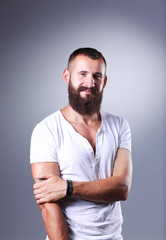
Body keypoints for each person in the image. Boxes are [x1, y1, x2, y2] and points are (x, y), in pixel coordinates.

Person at [30, 47, 132, 240]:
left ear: (105, 81)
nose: (90, 82)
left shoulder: (119, 125)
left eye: (97, 76)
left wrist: (67, 188)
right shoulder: (46, 130)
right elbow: (48, 203)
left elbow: (122, 188)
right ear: (67, 76)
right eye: (82, 74)